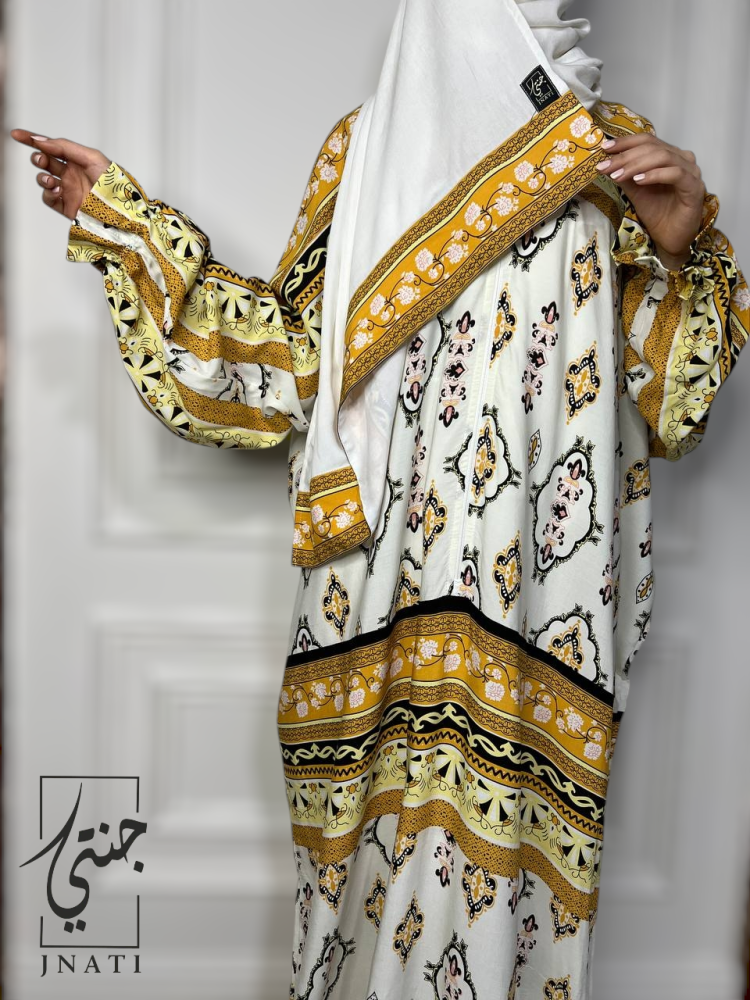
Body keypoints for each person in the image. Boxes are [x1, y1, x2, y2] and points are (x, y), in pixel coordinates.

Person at [11, 0, 749, 997]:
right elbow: (284, 365)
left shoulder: (617, 155)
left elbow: (674, 405)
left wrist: (681, 244)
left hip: (542, 612)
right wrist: (128, 225)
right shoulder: (367, 150)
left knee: (502, 909)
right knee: (361, 898)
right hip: (378, 599)